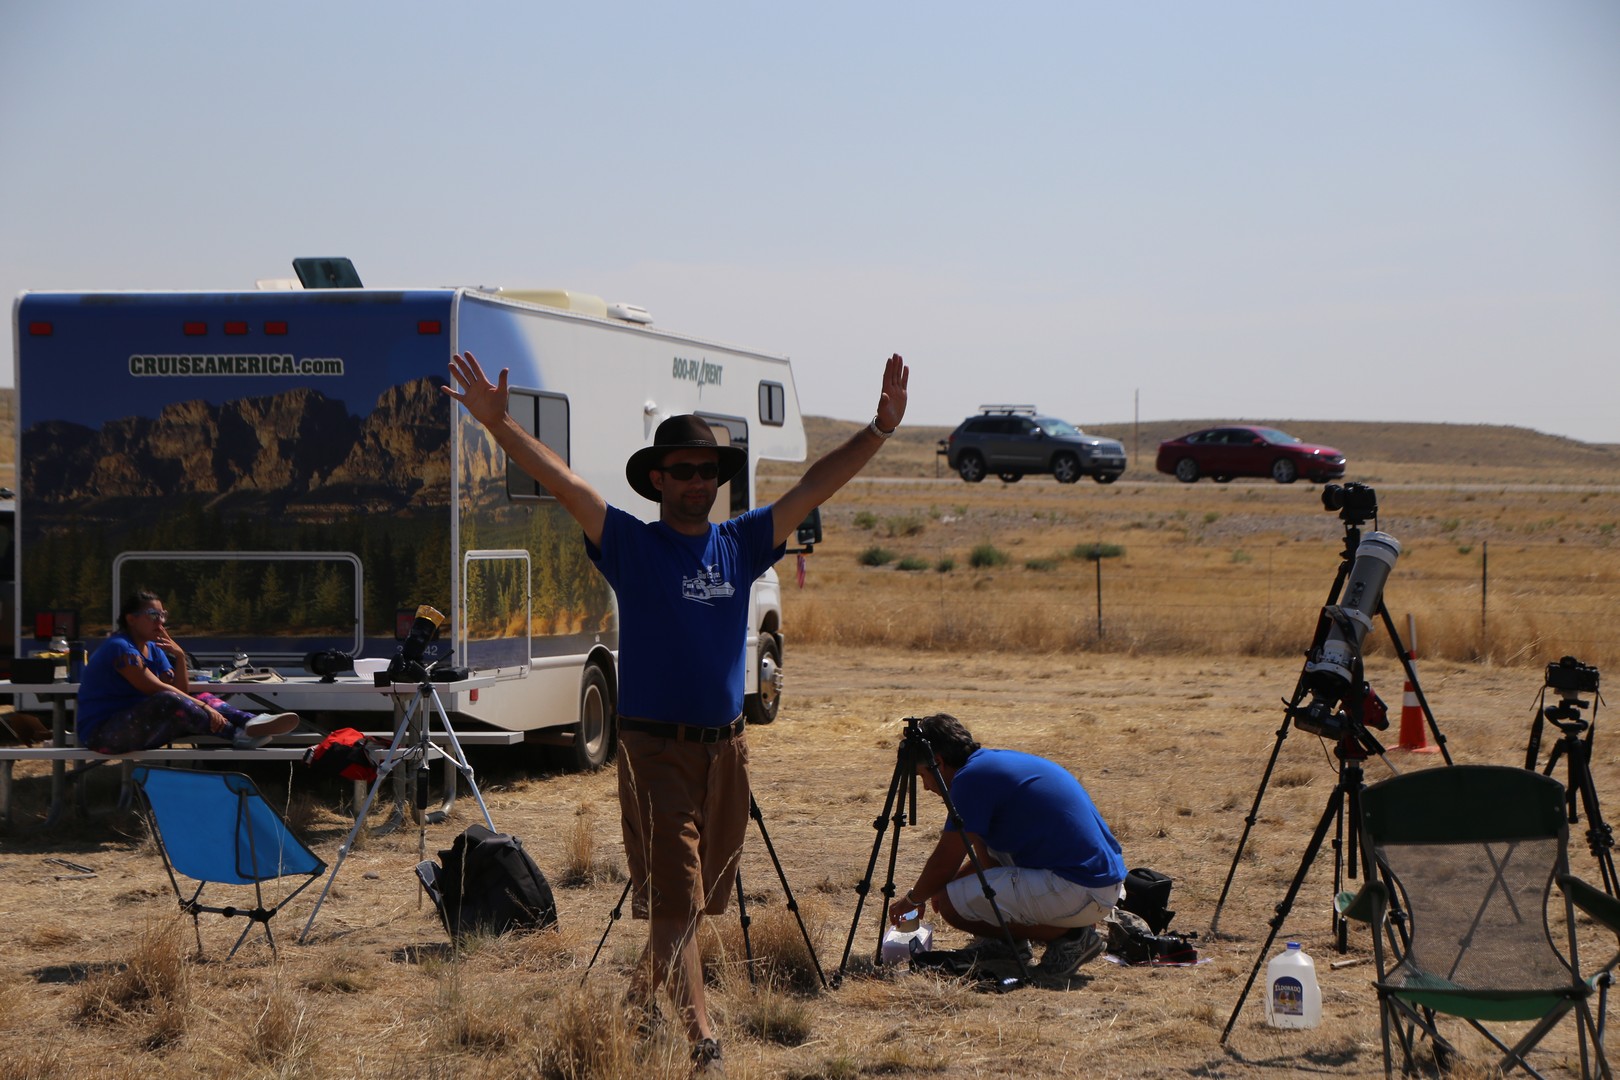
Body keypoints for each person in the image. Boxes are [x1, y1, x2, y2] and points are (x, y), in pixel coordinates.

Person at [445, 349, 907, 1074]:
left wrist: (878, 431)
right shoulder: (632, 544)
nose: (698, 483)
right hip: (654, 750)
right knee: (678, 898)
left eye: (708, 471)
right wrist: (501, 428)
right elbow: (565, 484)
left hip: (727, 751)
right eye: (684, 470)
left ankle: (638, 1002)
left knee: (697, 899)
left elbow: (814, 485)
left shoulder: (741, 543)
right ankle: (701, 1036)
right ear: (657, 479)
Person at [889, 712, 1126, 985]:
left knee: (952, 905)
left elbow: (945, 861)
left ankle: (1073, 938)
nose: (926, 787)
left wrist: (913, 900)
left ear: (938, 763)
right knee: (954, 890)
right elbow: (987, 861)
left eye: (922, 775)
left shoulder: (971, 780)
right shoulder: (989, 765)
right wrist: (942, 887)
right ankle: (1006, 945)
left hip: (1080, 888)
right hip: (1098, 884)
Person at [75, 591, 300, 754]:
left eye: (163, 615)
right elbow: (157, 689)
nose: (160, 622)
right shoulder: (120, 648)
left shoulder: (153, 648)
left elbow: (180, 689)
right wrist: (204, 708)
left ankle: (249, 722)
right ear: (131, 619)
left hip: (135, 724)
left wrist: (180, 655)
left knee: (198, 695)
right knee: (171, 699)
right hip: (102, 734)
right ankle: (235, 734)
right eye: (153, 615)